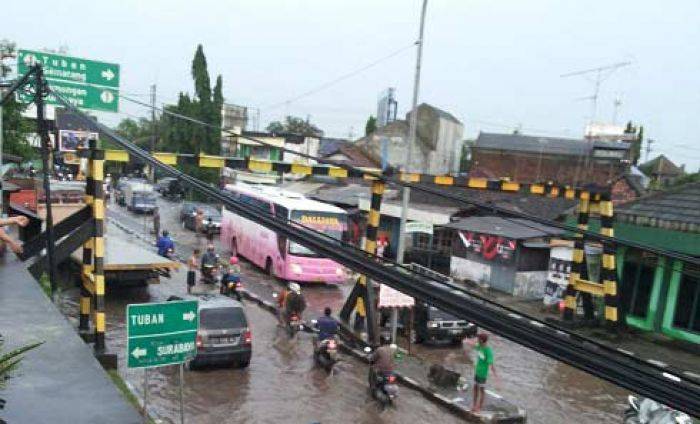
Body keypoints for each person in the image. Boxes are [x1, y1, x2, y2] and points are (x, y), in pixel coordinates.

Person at [464, 333, 497, 414]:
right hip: (477, 372)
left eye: (479, 339)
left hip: (483, 375)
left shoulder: (488, 351)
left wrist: (495, 376)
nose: (477, 340)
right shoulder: (480, 347)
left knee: (482, 391)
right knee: (475, 388)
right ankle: (474, 405)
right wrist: (466, 340)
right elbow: (472, 344)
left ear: (482, 341)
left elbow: (491, 363)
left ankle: (479, 408)